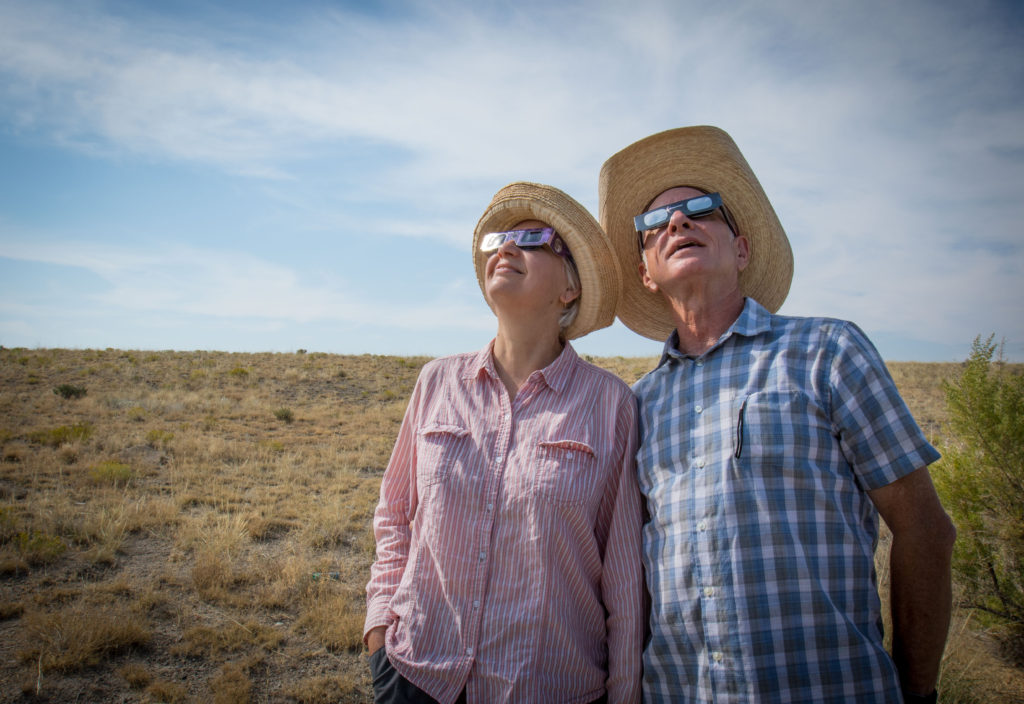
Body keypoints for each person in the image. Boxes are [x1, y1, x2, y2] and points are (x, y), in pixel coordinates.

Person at [597, 126, 956, 703]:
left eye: (700, 210)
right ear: (645, 271)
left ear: (740, 249)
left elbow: (925, 529)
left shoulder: (828, 351)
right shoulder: (635, 405)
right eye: (654, 224)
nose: (678, 224)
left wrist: (916, 691)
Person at [364, 182, 644, 704]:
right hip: (417, 676)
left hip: (548, 688)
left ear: (570, 288)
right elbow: (395, 515)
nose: (508, 248)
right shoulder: (436, 383)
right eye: (501, 238)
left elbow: (624, 576)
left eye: (535, 240)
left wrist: (624, 691)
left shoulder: (611, 405)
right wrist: (381, 629)